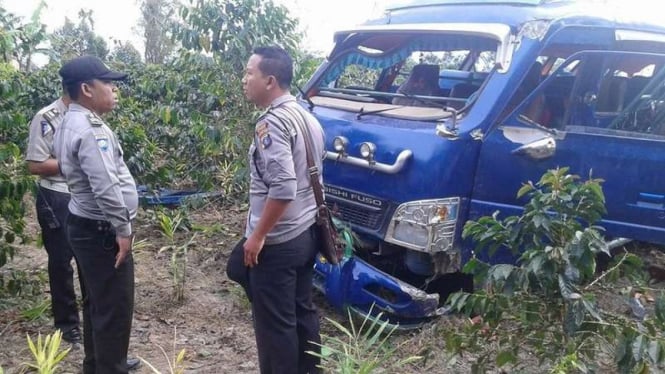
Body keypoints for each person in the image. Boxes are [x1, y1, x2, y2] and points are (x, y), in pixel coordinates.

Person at [240, 45, 323, 374]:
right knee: (301, 311)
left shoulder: (271, 123)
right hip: (305, 232)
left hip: (278, 240)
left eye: (249, 73)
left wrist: (259, 235)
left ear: (270, 80)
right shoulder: (306, 117)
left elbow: (285, 186)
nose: (244, 79)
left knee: (275, 326)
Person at [53, 55, 139, 374]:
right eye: (108, 83)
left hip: (84, 224)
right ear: (87, 89)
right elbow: (105, 186)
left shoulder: (69, 121)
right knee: (113, 308)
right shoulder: (90, 130)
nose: (114, 89)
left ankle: (100, 363)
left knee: (97, 303)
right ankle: (110, 367)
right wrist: (123, 229)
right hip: (101, 231)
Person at [25, 93, 83, 344]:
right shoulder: (47, 118)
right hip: (57, 196)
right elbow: (36, 164)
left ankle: (93, 322)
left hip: (86, 195)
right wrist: (76, 163)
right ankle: (67, 324)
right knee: (61, 262)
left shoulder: (89, 117)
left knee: (89, 260)